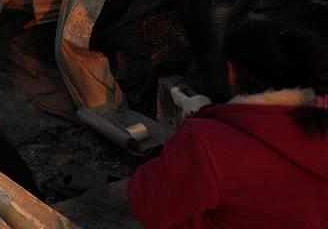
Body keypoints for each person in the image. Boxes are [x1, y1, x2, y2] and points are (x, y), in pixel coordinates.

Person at [128, 16, 328, 228]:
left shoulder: (207, 143)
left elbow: (147, 203)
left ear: (232, 71)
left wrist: (192, 129)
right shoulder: (318, 119)